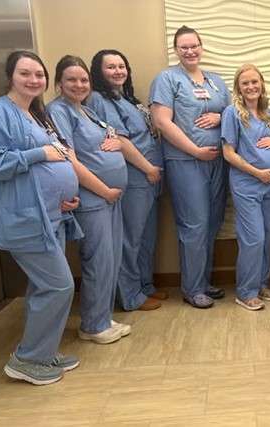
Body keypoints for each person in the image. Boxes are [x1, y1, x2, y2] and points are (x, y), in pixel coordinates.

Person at [0, 51, 81, 385]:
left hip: (51, 215)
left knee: (42, 286)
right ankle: (28, 359)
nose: (33, 80)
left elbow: (51, 164)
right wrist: (38, 153)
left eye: (39, 74)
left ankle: (43, 351)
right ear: (10, 76)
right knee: (59, 285)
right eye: (25, 73)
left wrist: (61, 197)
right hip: (25, 219)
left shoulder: (35, 114)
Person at [48, 55, 130, 344]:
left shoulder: (85, 110)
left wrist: (116, 144)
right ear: (59, 83)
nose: (79, 85)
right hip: (94, 199)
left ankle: (102, 317)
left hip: (109, 199)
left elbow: (107, 139)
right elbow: (69, 159)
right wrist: (104, 190)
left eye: (83, 80)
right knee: (98, 260)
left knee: (111, 259)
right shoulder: (58, 111)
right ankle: (93, 325)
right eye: (71, 79)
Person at [150, 26, 231, 309]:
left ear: (201, 46)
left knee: (212, 222)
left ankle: (204, 281)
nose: (190, 51)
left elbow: (234, 113)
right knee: (194, 224)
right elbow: (162, 122)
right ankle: (192, 288)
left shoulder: (215, 81)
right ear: (176, 50)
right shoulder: (167, 79)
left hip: (218, 162)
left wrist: (220, 117)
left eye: (194, 45)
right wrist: (195, 150)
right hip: (186, 161)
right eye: (184, 47)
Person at [88, 49, 166, 311]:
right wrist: (148, 168)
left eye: (121, 66)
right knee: (130, 238)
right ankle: (131, 295)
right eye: (111, 67)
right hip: (136, 176)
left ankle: (145, 285)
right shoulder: (99, 99)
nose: (118, 71)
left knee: (146, 237)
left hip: (150, 178)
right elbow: (119, 139)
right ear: (99, 71)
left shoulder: (127, 100)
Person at [221, 63, 270, 311]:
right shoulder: (232, 113)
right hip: (248, 185)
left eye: (254, 81)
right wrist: (258, 173)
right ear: (238, 88)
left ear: (262, 84)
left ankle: (260, 284)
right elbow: (228, 153)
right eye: (245, 83)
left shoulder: (269, 114)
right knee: (253, 238)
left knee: (265, 237)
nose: (250, 86)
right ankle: (245, 292)